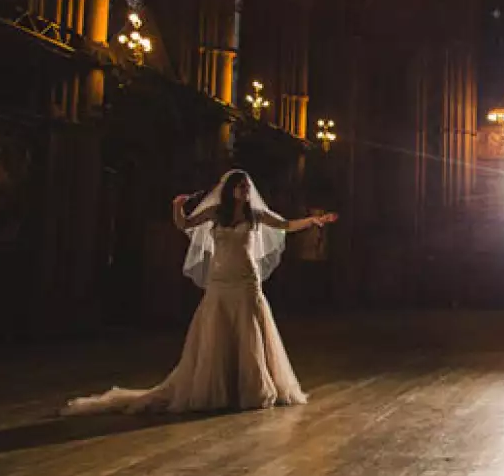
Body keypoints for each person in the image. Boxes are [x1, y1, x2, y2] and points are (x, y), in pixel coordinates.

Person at [61, 169, 337, 415]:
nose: (245, 190)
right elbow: (185, 225)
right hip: (221, 279)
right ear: (230, 190)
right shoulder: (216, 213)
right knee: (216, 330)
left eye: (247, 187)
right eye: (240, 186)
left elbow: (286, 225)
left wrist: (314, 221)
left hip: (246, 279)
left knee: (249, 329)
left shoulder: (256, 215)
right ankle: (217, 388)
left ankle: (249, 387)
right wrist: (177, 208)